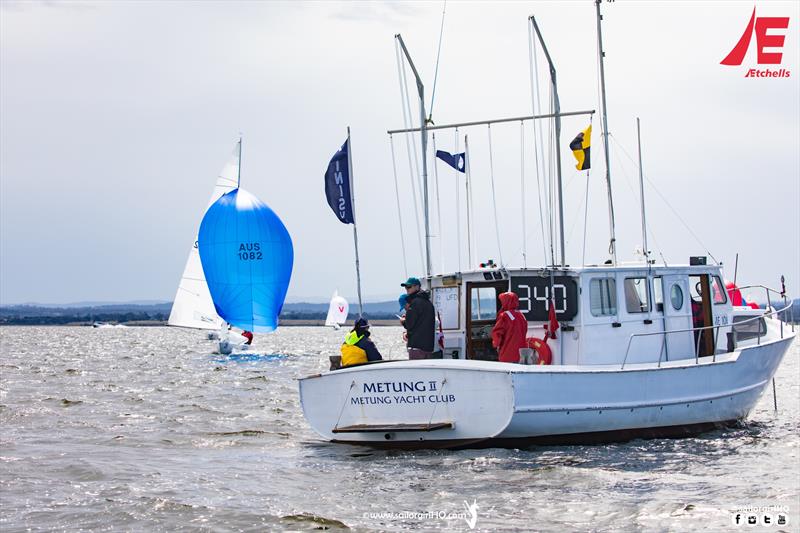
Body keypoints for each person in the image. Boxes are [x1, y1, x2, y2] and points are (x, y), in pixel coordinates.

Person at [400, 277, 435, 359]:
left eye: (409, 287)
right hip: (428, 347)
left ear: (417, 287)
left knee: (416, 371)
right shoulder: (428, 302)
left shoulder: (415, 302)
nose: (406, 289)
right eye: (405, 287)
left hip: (417, 347)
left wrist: (403, 321)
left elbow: (409, 324)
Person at [491, 292, 529, 363]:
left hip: (508, 354)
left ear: (506, 302)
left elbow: (497, 333)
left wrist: (496, 345)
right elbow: (525, 331)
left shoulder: (504, 316)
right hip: (522, 354)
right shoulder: (521, 315)